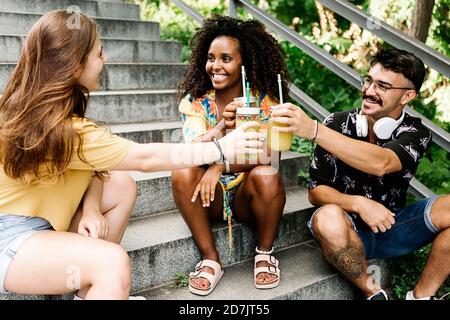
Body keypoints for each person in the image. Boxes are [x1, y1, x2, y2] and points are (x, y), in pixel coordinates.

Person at [0, 10, 262, 300]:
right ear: (75, 64)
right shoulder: (66, 129)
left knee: (121, 184)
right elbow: (144, 158)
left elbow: (94, 166)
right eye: (99, 53)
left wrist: (91, 208)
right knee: (112, 263)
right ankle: (106, 284)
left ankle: (91, 295)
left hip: (40, 222)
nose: (106, 60)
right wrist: (220, 148)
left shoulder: (45, 112)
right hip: (12, 238)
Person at [270, 48, 450, 300]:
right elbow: (316, 192)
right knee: (326, 217)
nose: (368, 91)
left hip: (393, 225)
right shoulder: (336, 124)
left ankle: (420, 297)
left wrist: (312, 129)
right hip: (342, 229)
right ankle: (373, 293)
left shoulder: (415, 132)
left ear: (407, 96)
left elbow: (382, 163)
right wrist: (359, 203)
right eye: (368, 81)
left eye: (382, 86)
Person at [171, 14, 290, 295]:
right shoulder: (197, 103)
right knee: (182, 170)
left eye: (226, 58)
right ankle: (210, 259)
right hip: (206, 196)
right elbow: (191, 151)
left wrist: (218, 167)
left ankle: (264, 252)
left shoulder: (265, 102)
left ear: (244, 64)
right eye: (211, 58)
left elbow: (269, 154)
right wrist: (221, 127)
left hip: (247, 196)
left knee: (268, 174)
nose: (216, 66)